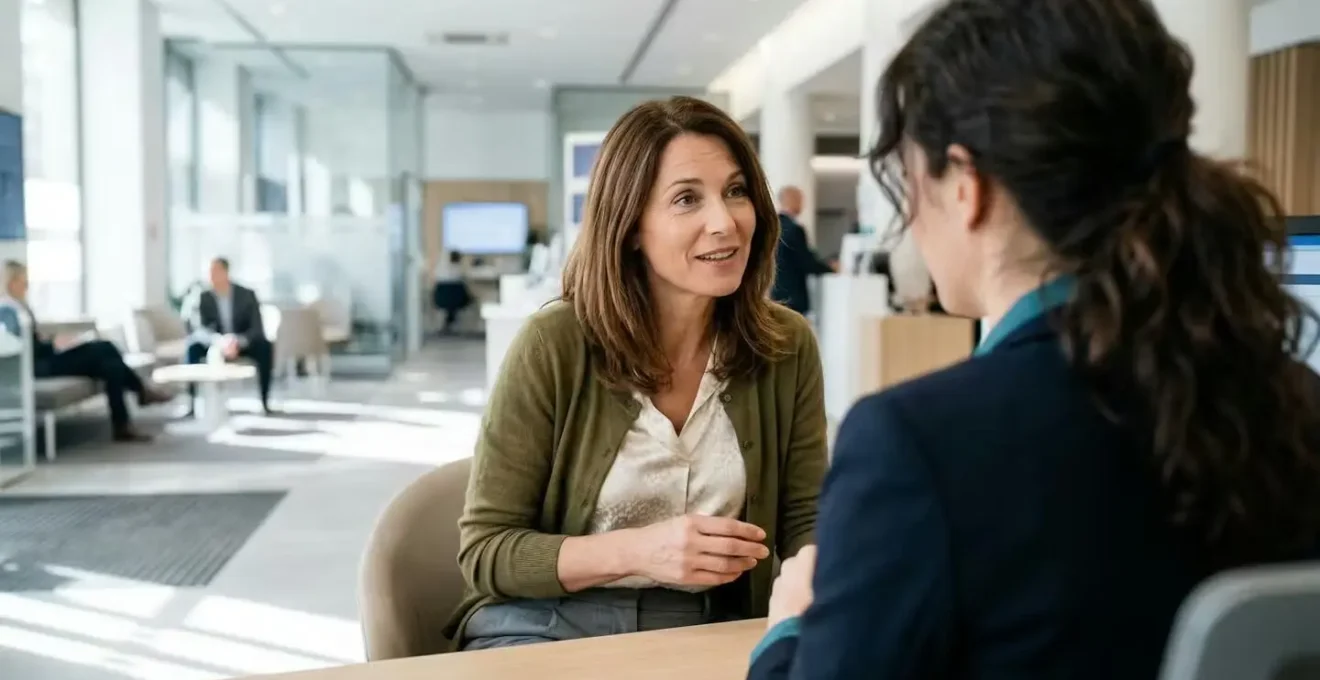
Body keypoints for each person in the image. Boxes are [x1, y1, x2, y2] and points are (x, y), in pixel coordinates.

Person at [750, 1, 1320, 679]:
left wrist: (787, 629)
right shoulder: (1292, 402)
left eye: (910, 180)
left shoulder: (916, 447)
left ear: (966, 185)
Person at [446, 96, 828, 651]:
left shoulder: (786, 345)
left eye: (736, 191)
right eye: (686, 199)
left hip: (715, 629)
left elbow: (806, 520)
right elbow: (486, 552)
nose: (724, 222)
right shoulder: (554, 344)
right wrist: (641, 551)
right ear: (630, 227)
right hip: (550, 626)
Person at [2, 260, 171, 442]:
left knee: (110, 365)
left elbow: (30, 342)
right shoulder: (8, 310)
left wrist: (50, 342)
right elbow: (21, 351)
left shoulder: (19, 306)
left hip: (46, 358)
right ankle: (139, 393)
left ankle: (124, 423)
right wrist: (53, 345)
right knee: (104, 348)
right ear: (11, 282)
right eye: (23, 280)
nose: (27, 285)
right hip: (39, 367)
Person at [185, 257, 274, 415]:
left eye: (215, 272)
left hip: (241, 343)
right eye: (209, 272)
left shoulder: (247, 295)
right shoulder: (203, 297)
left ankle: (265, 401)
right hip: (215, 343)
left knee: (265, 346)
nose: (211, 276)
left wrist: (237, 341)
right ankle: (191, 405)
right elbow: (199, 328)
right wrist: (219, 341)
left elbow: (256, 328)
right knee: (192, 347)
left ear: (226, 272)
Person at [769, 186, 834, 316]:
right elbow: (806, 262)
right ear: (793, 200)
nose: (803, 205)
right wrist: (831, 269)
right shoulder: (794, 229)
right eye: (801, 200)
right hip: (794, 296)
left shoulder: (772, 227)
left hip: (776, 293)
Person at [431, 251, 472, 334]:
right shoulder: (459, 270)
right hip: (457, 301)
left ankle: (447, 323)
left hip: (441, 300)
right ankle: (451, 321)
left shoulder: (440, 271)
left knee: (449, 301)